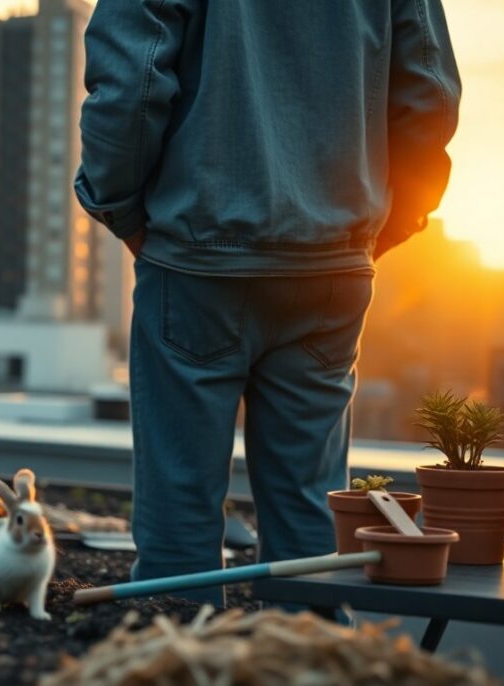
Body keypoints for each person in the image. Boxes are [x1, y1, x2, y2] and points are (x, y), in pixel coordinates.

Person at [75, 0, 461, 607]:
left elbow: (133, 78)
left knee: (179, 512)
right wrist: (386, 223)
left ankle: (177, 665)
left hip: (195, 259)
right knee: (310, 518)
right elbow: (430, 92)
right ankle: (308, 665)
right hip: (331, 267)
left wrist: (117, 205)